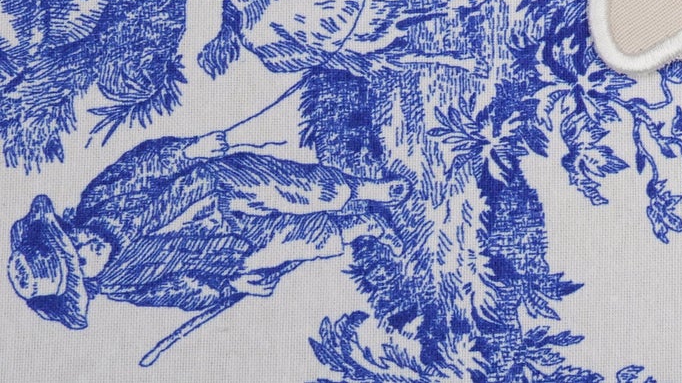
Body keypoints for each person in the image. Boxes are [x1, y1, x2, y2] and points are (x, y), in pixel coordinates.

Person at [8, 126, 404, 336]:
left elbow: (143, 165)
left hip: (217, 186)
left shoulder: (99, 200)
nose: (84, 245)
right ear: (84, 282)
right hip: (227, 251)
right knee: (299, 242)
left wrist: (189, 151)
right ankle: (362, 225)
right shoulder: (122, 284)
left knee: (296, 188)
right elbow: (181, 290)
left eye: (71, 237)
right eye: (79, 260)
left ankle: (368, 190)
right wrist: (235, 285)